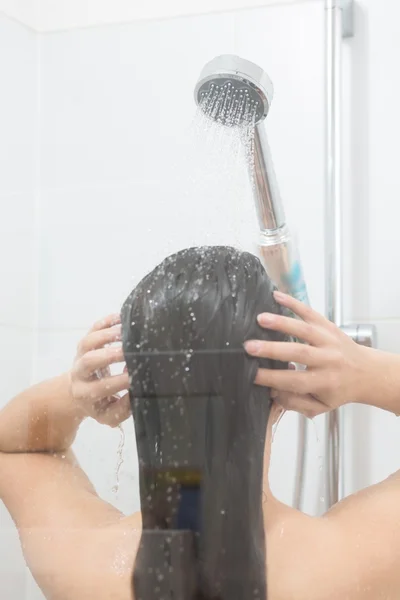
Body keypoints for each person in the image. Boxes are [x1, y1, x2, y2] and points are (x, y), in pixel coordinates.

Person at [0, 246, 399, 600]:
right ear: (283, 388)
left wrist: (75, 394)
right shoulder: (352, 566)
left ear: (136, 392)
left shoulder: (85, 568)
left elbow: (12, 446)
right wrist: (366, 371)